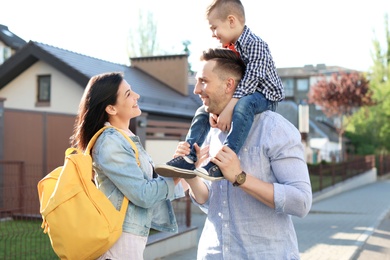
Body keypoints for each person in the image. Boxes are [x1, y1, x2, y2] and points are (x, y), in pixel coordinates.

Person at [175, 48, 312, 259]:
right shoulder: (211, 131)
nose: (196, 90)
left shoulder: (275, 129)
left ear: (229, 84)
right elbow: (211, 203)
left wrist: (240, 178)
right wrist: (192, 176)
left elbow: (301, 202)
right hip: (214, 253)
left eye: (203, 81)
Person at [155, 0, 284, 181]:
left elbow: (249, 82)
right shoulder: (230, 46)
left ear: (231, 21)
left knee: (244, 105)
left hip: (265, 95)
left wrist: (228, 108)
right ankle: (189, 156)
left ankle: (222, 161)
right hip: (243, 93)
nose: (214, 34)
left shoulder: (255, 44)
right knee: (203, 110)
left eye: (214, 28)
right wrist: (216, 109)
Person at [70, 72, 183, 259]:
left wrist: (188, 167)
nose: (136, 96)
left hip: (129, 241)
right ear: (111, 109)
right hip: (118, 245)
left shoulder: (125, 138)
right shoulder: (110, 142)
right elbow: (144, 195)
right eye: (128, 93)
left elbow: (152, 186)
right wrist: (178, 172)